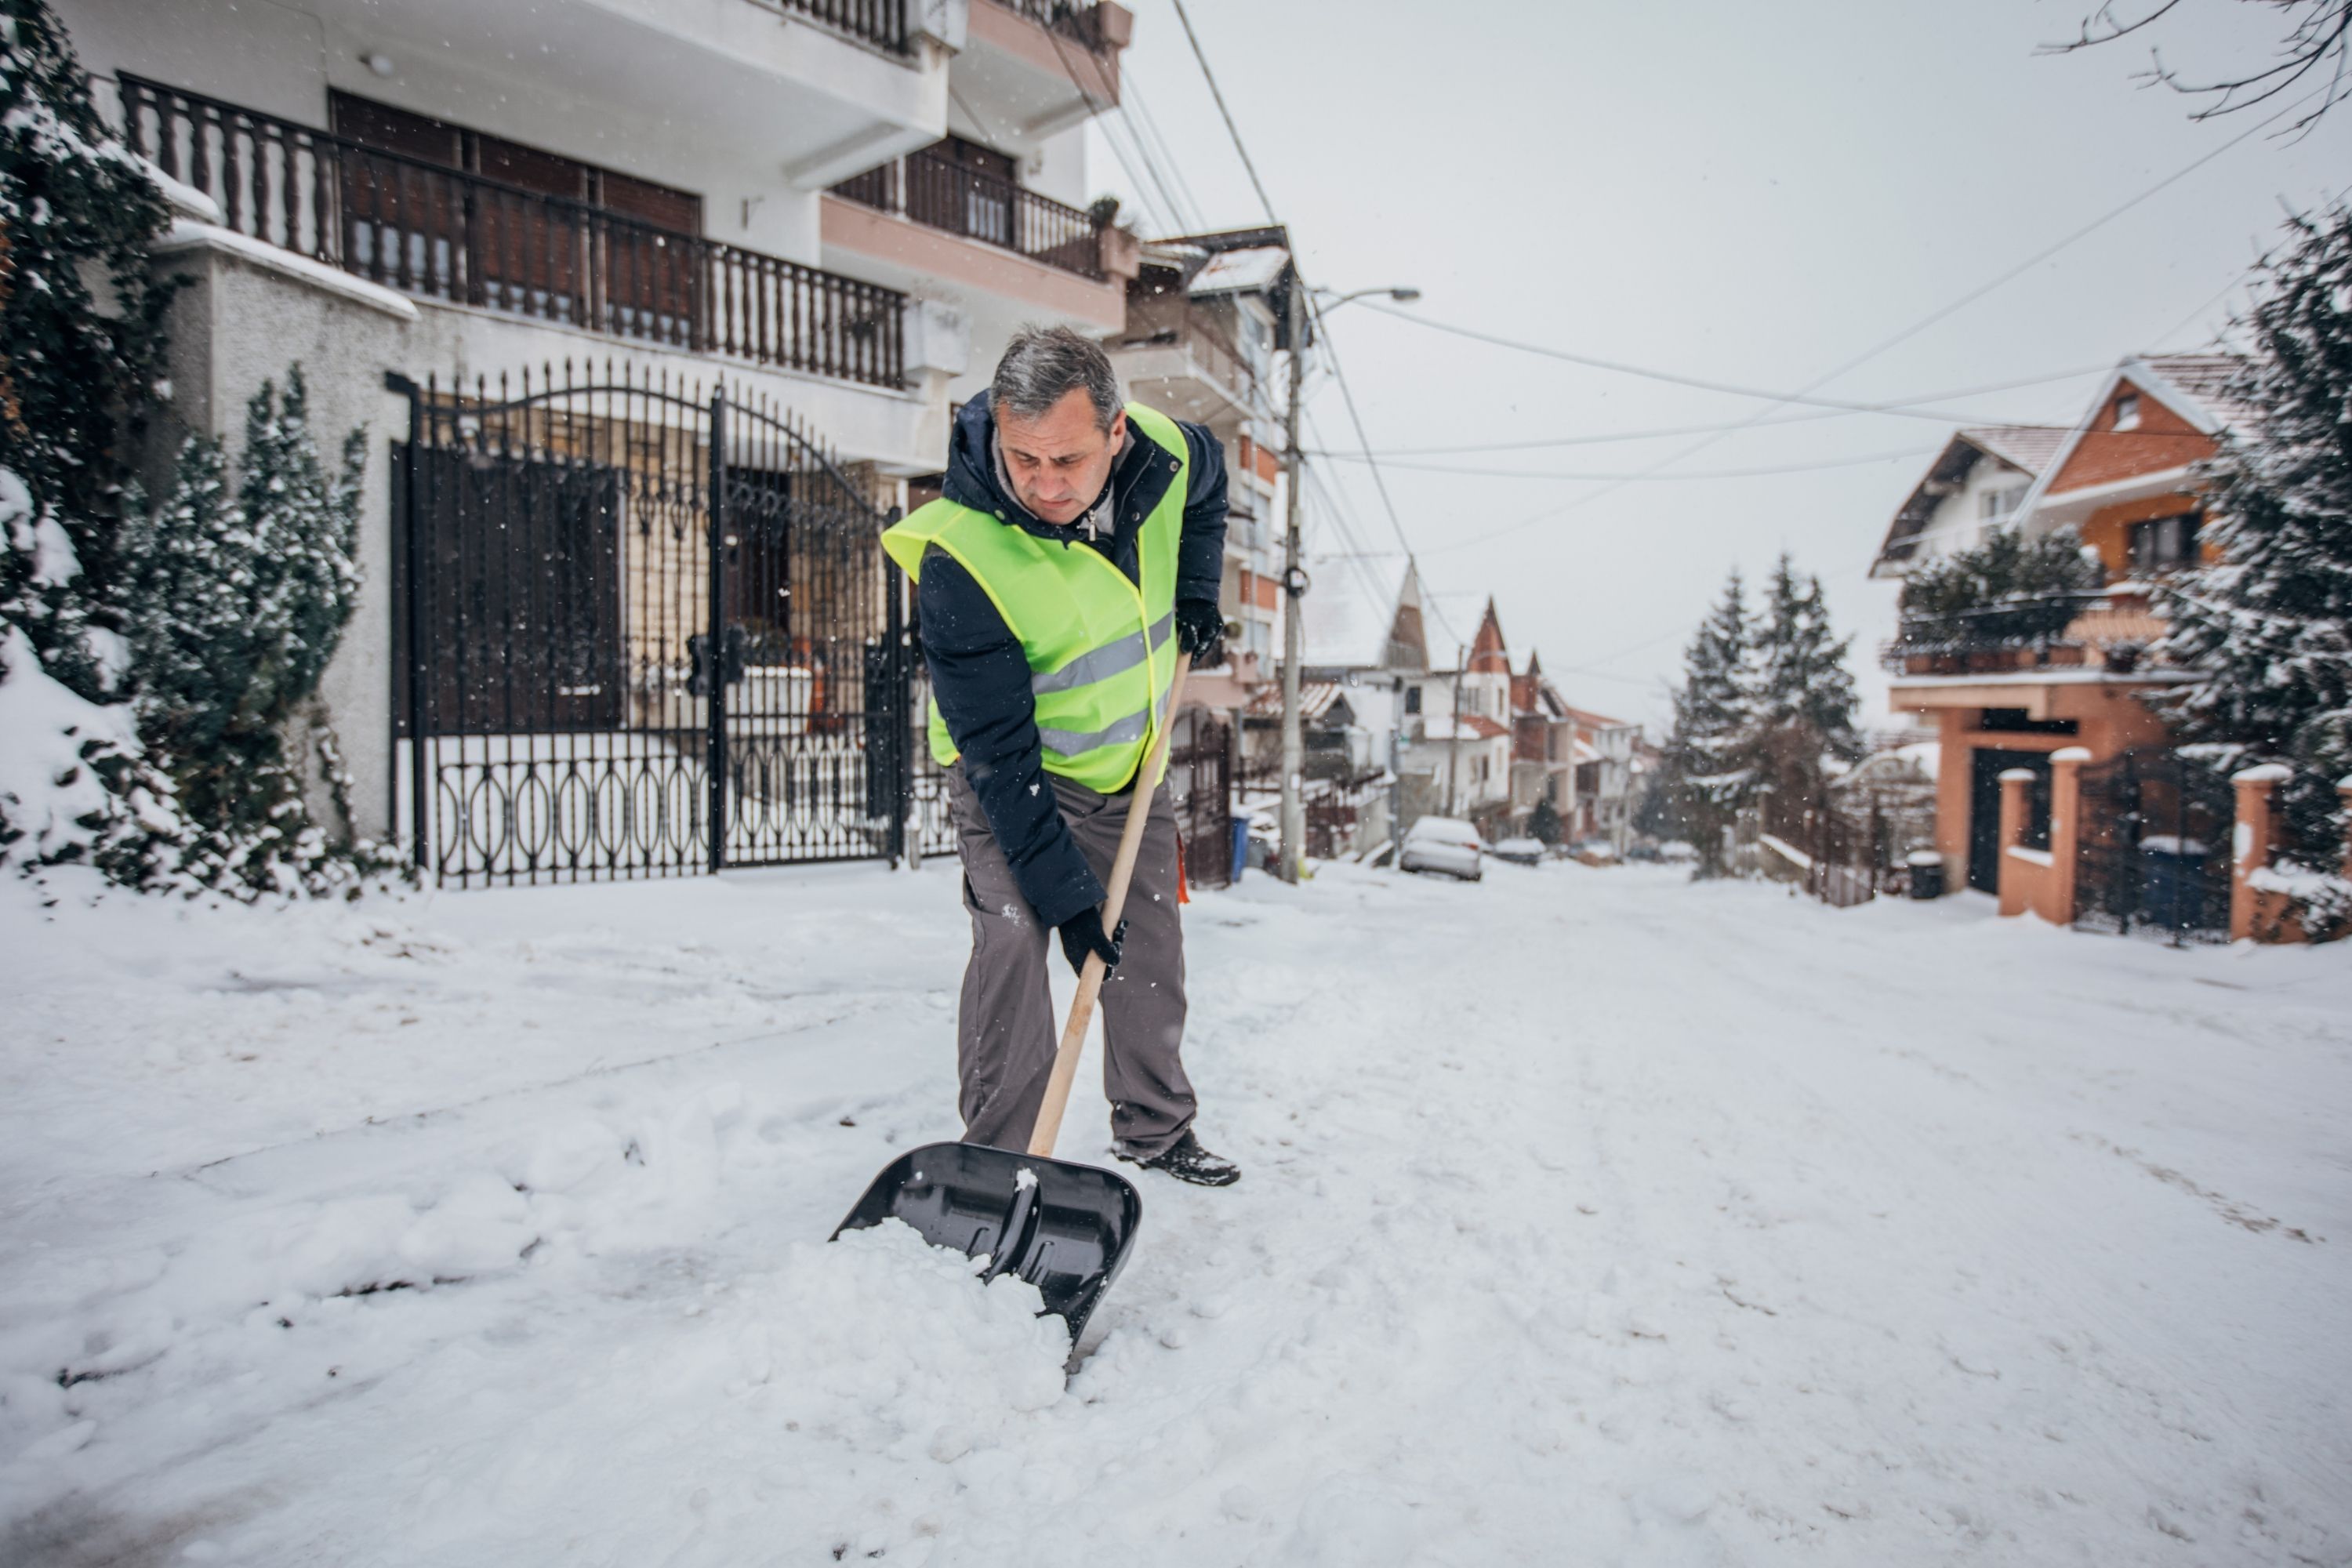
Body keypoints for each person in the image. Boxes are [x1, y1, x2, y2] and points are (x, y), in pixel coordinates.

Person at [880, 325, 1240, 1187]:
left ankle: (1157, 1128)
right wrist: (1067, 900)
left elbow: (1210, 481)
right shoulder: (960, 556)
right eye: (1023, 458)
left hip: (1130, 763)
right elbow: (1002, 760)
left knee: (1147, 948)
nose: (1044, 484)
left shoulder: (1164, 452)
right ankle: (996, 1159)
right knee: (1015, 943)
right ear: (999, 431)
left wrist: (1195, 590)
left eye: (1068, 461)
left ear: (1116, 433)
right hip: (1009, 777)